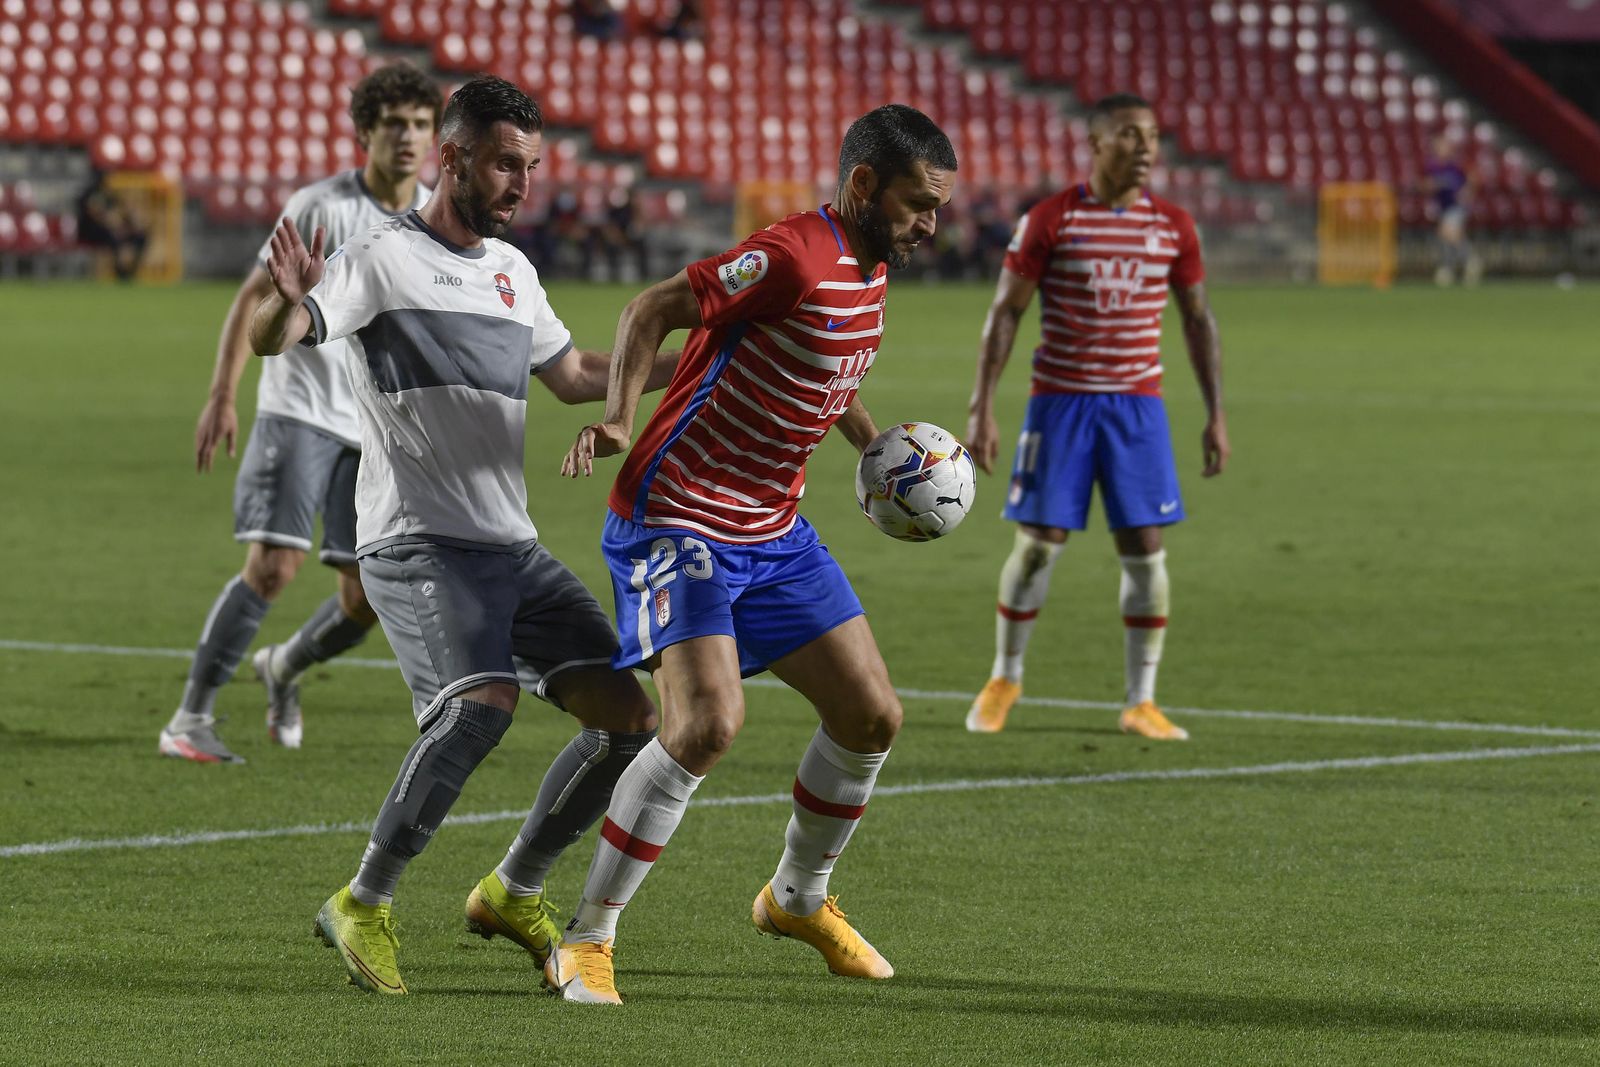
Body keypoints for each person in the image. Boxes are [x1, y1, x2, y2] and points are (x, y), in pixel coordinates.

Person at [248, 75, 679, 995]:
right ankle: (363, 900)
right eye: (504, 164)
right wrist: (282, 302)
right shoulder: (379, 257)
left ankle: (513, 887)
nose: (522, 184)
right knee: (481, 704)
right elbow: (275, 335)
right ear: (452, 157)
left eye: (531, 166)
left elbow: (575, 373)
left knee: (633, 722)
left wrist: (691, 361)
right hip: (415, 541)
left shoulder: (513, 271)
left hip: (510, 546)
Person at [550, 104, 957, 1005]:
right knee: (705, 725)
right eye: (919, 203)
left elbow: (823, 363)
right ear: (863, 185)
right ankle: (585, 938)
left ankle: (796, 897)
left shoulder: (870, 267)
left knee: (871, 716)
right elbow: (653, 307)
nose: (932, 224)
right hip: (678, 516)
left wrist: (877, 451)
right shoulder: (793, 254)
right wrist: (617, 418)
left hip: (772, 530)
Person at [158, 64, 442, 764]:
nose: (408, 137)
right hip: (300, 408)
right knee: (273, 566)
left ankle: (282, 668)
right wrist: (222, 394)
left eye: (420, 124)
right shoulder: (321, 206)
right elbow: (253, 299)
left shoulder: (435, 215)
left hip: (373, 426)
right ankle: (190, 717)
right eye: (393, 124)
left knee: (366, 596)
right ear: (365, 132)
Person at [963, 93, 1229, 741]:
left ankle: (1142, 700)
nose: (1145, 148)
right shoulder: (1051, 219)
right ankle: (1004, 678)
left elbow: (1198, 320)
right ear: (1096, 142)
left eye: (1152, 136)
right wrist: (982, 406)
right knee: (1036, 548)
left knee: (1146, 550)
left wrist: (1216, 413)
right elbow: (1006, 312)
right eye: (1130, 135)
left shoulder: (1174, 226)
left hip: (1138, 408)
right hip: (1060, 404)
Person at [1425, 134, 1480, 287]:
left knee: (1447, 232)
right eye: (1438, 147)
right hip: (1443, 206)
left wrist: (1467, 192)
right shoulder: (1432, 166)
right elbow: (1424, 184)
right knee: (1448, 236)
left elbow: (1473, 178)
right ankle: (1453, 266)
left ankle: (1468, 261)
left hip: (1457, 205)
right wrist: (1432, 185)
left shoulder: (1456, 165)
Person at [76, 170, 148, 281]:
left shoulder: (109, 195)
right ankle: (120, 271)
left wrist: (124, 226)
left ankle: (131, 268)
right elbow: (94, 215)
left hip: (113, 230)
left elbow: (119, 213)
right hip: (92, 231)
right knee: (114, 238)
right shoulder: (89, 194)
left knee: (140, 236)